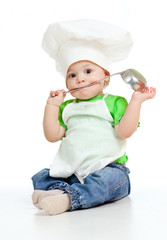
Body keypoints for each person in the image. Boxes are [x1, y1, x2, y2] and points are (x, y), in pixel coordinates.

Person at [31, 19, 156, 215]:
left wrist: (136, 102)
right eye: (72, 75)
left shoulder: (113, 103)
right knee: (41, 176)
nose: (79, 78)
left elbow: (125, 131)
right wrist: (51, 107)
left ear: (106, 77)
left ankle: (68, 199)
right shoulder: (66, 107)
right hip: (73, 173)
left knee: (107, 182)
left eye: (88, 71)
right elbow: (52, 135)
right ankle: (61, 191)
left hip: (108, 170)